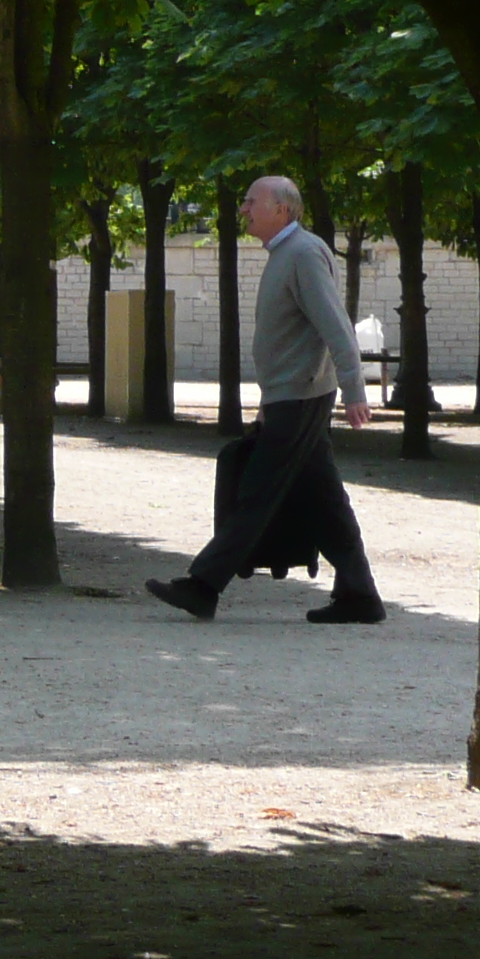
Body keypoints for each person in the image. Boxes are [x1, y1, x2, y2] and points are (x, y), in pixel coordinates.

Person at [147, 174, 386, 624]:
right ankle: (360, 595)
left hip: (300, 396)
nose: (243, 209)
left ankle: (203, 586)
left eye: (251, 201)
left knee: (257, 491)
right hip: (292, 395)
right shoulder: (288, 254)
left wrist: (355, 389)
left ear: (282, 209)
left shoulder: (303, 253)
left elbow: (336, 326)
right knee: (325, 500)